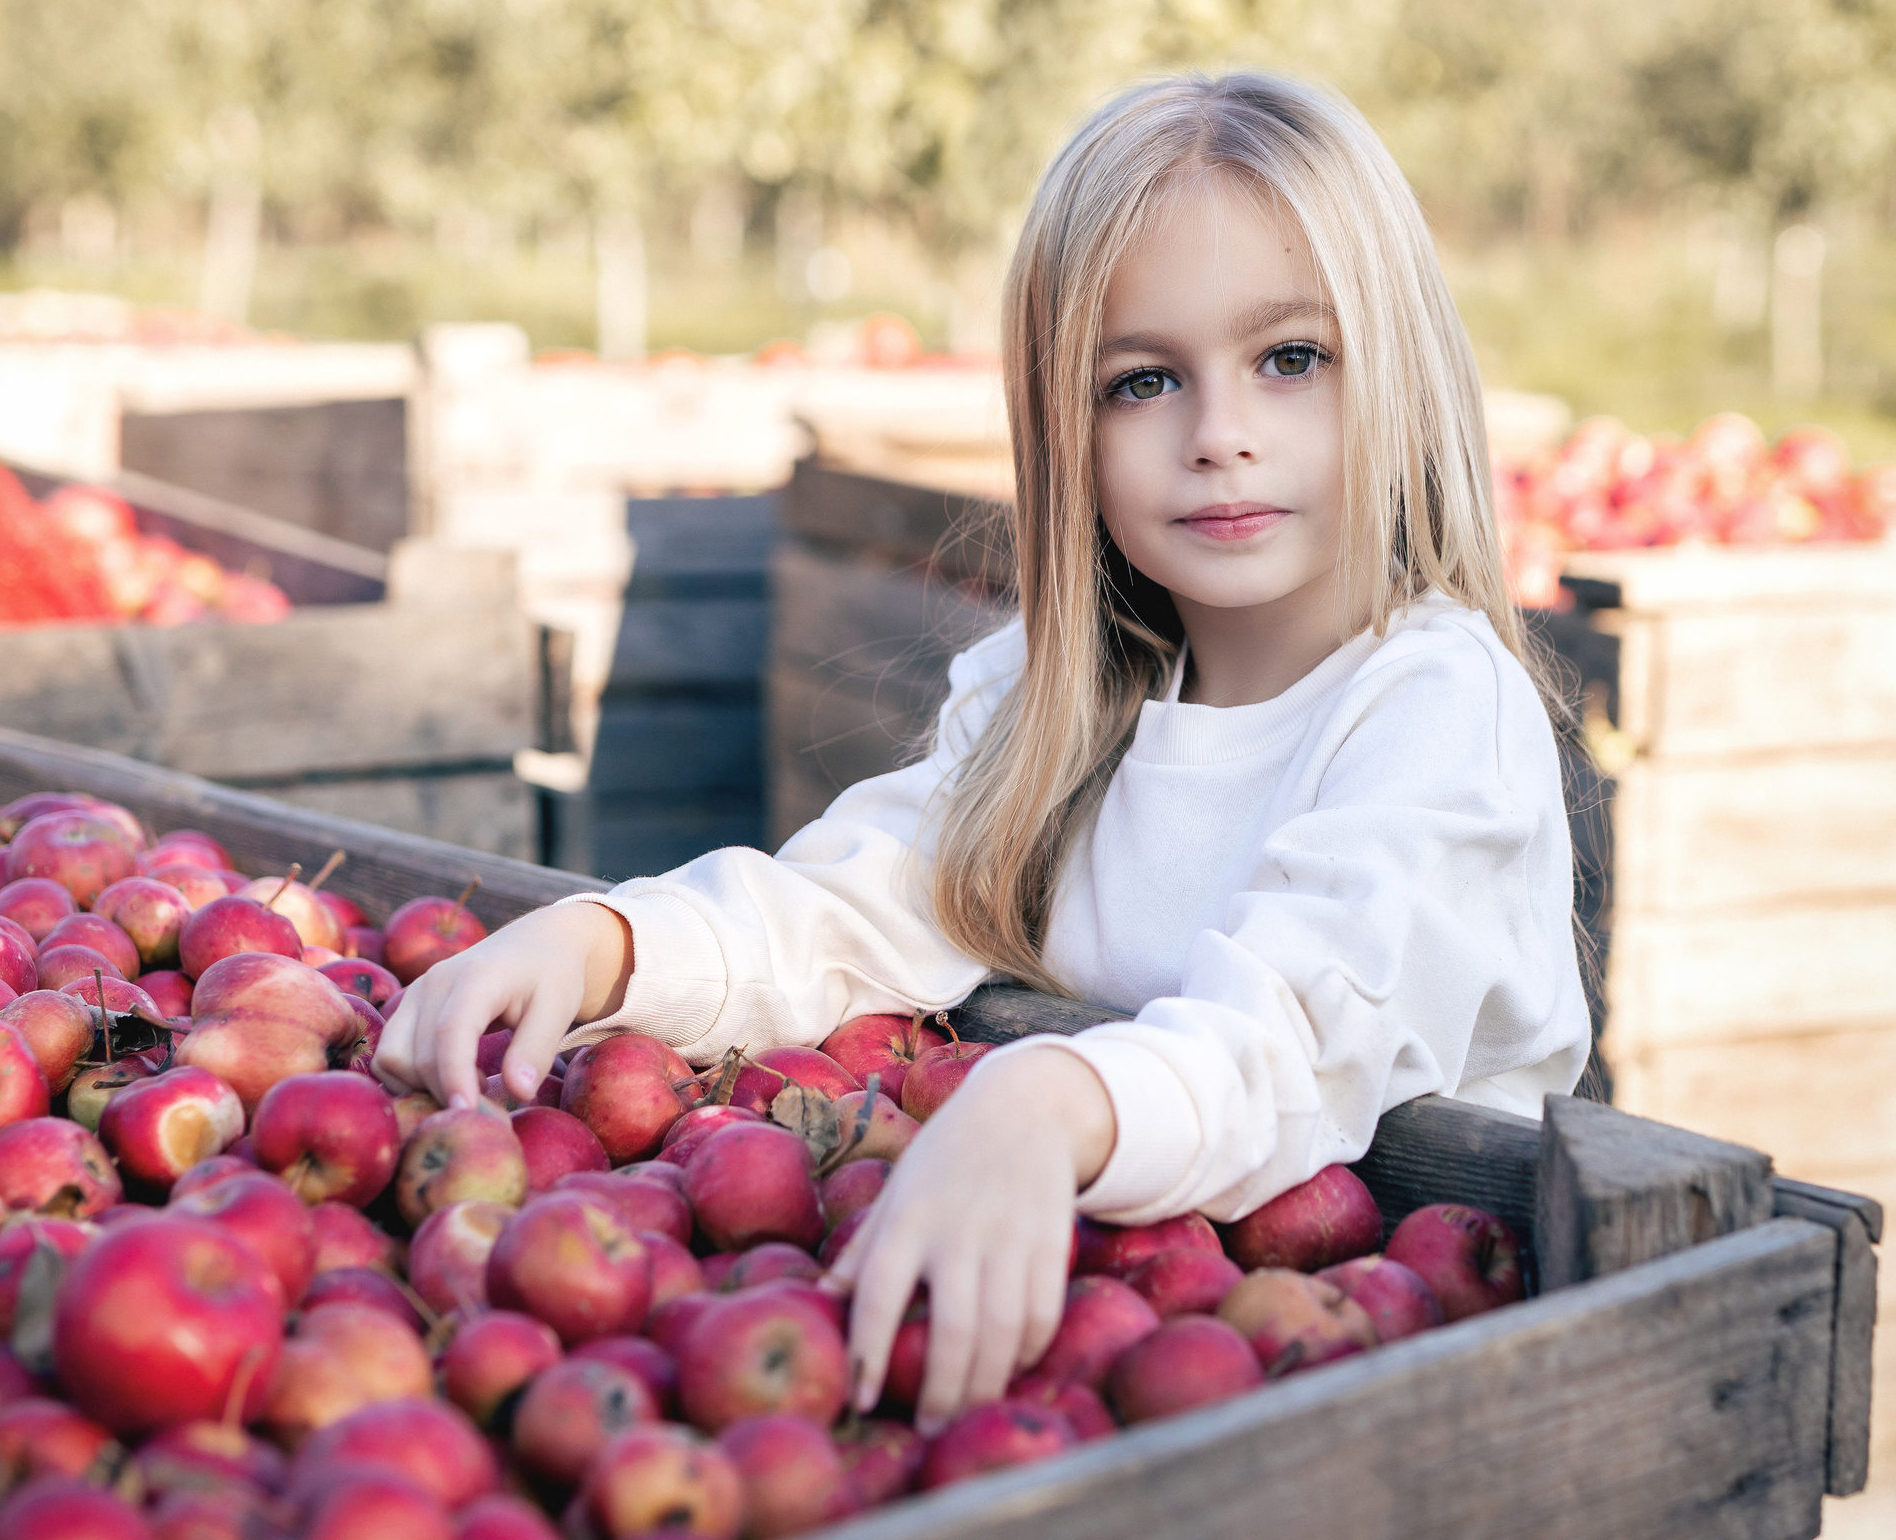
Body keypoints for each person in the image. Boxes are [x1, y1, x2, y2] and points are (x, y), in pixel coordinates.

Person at [378, 70, 1592, 1432]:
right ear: (1063, 435)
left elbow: (1291, 1047)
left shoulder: (1438, 711)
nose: (1221, 435)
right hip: (1122, 1358)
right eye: (1142, 382)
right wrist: (605, 945)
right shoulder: (1059, 697)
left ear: (1403, 367)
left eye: (1291, 358)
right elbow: (855, 903)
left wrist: (1035, 1104)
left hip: (1404, 1394)